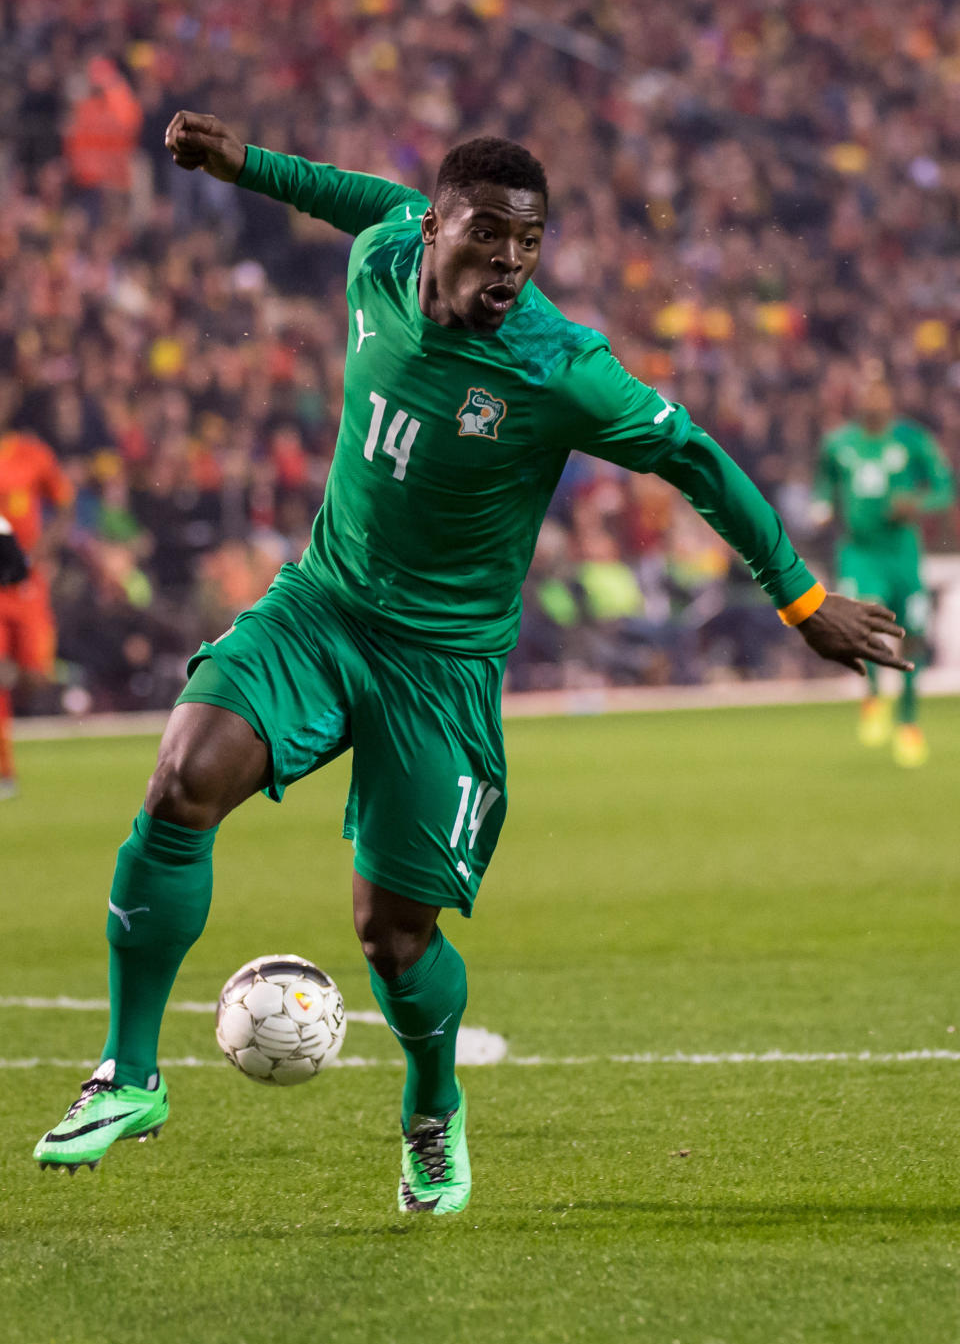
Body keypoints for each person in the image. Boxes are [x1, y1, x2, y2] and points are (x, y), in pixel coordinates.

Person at [34, 113, 911, 1210]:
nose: (510, 259)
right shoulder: (385, 248)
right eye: (487, 232)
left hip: (440, 667)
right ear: (437, 223)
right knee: (180, 777)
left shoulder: (560, 368)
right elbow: (351, 195)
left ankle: (433, 1106)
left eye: (530, 242)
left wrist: (804, 598)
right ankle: (130, 1072)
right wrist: (242, 163)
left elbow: (693, 456)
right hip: (321, 605)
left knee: (393, 934)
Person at [812, 364, 955, 767]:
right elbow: (824, 482)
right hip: (860, 552)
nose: (873, 400)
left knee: (912, 637)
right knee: (864, 621)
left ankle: (909, 721)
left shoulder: (912, 440)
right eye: (866, 393)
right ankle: (873, 694)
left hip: (903, 555)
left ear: (890, 398)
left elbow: (944, 488)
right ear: (858, 399)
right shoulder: (838, 443)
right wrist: (821, 505)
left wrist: (919, 505)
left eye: (879, 393)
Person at [0, 420, 74, 798]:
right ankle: (3, 769)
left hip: (26, 581)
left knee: (35, 672)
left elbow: (64, 500)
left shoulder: (30, 452)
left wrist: (45, 548)